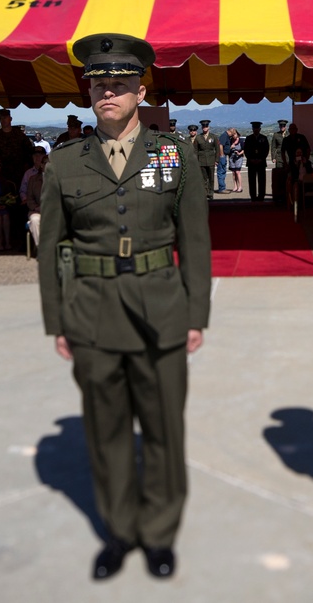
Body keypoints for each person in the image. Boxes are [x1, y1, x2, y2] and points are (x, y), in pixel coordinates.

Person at [38, 33, 211, 581]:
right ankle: (119, 531)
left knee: (163, 429)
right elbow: (51, 248)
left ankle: (159, 533)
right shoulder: (64, 163)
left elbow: (197, 239)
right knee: (106, 433)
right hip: (90, 314)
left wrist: (195, 314)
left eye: (119, 83)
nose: (107, 91)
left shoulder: (173, 153)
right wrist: (57, 321)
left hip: (160, 308)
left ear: (141, 90)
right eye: (98, 83)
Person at [0, 108, 33, 186]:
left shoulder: (20, 136)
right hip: (1, 173)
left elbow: (29, 153)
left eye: (5, 118)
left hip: (18, 173)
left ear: (10, 119)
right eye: (0, 118)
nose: (3, 120)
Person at [193, 119, 220, 199]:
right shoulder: (198, 137)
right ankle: (205, 193)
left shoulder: (213, 137)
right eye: (203, 126)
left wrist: (217, 160)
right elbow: (195, 150)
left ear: (208, 127)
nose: (205, 128)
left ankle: (210, 193)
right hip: (201, 161)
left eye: (206, 126)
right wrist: (196, 161)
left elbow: (217, 149)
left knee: (211, 178)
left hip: (211, 160)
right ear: (202, 128)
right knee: (203, 178)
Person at [26, 153, 47, 248]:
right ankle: (41, 249)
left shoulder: (58, 179)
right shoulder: (33, 180)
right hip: (37, 210)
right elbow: (29, 199)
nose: (48, 165)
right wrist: (36, 207)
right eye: (46, 163)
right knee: (35, 219)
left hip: (53, 210)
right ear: (42, 165)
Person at [245, 121, 269, 201]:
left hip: (261, 162)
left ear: (260, 129)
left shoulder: (264, 138)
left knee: (262, 180)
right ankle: (253, 196)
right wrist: (251, 159)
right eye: (254, 128)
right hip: (251, 163)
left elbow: (266, 150)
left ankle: (261, 196)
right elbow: (246, 150)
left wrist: (260, 159)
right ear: (252, 129)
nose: (256, 130)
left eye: (257, 128)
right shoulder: (249, 138)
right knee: (252, 180)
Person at [226, 127, 245, 192]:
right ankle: (235, 186)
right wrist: (231, 146)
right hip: (232, 157)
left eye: (235, 134)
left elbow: (243, 150)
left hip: (239, 157)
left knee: (237, 172)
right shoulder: (230, 140)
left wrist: (239, 153)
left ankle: (240, 186)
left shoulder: (241, 141)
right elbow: (227, 148)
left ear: (237, 134)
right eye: (233, 134)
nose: (234, 135)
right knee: (233, 172)